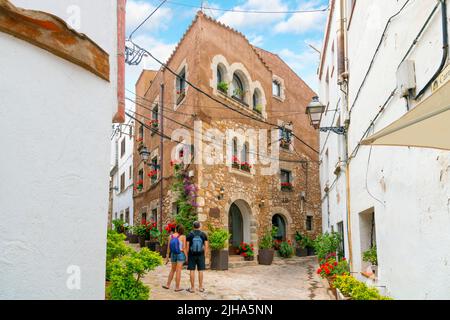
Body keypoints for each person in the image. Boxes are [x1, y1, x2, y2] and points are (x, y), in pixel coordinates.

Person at [162, 225, 187, 292]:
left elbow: (168, 248)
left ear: (176, 229)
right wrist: (186, 256)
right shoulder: (183, 237)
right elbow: (184, 248)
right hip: (180, 254)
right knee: (178, 271)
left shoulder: (170, 236)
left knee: (172, 270)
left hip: (173, 254)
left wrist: (167, 257)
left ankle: (167, 285)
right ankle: (177, 287)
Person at [186, 221, 208, 293]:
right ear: (199, 226)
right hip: (201, 255)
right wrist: (204, 255)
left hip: (192, 255)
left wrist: (187, 255)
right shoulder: (203, 234)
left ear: (193, 226)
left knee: (192, 270)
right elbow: (206, 246)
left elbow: (187, 246)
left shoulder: (190, 234)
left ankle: (192, 288)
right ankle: (200, 287)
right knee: (200, 271)